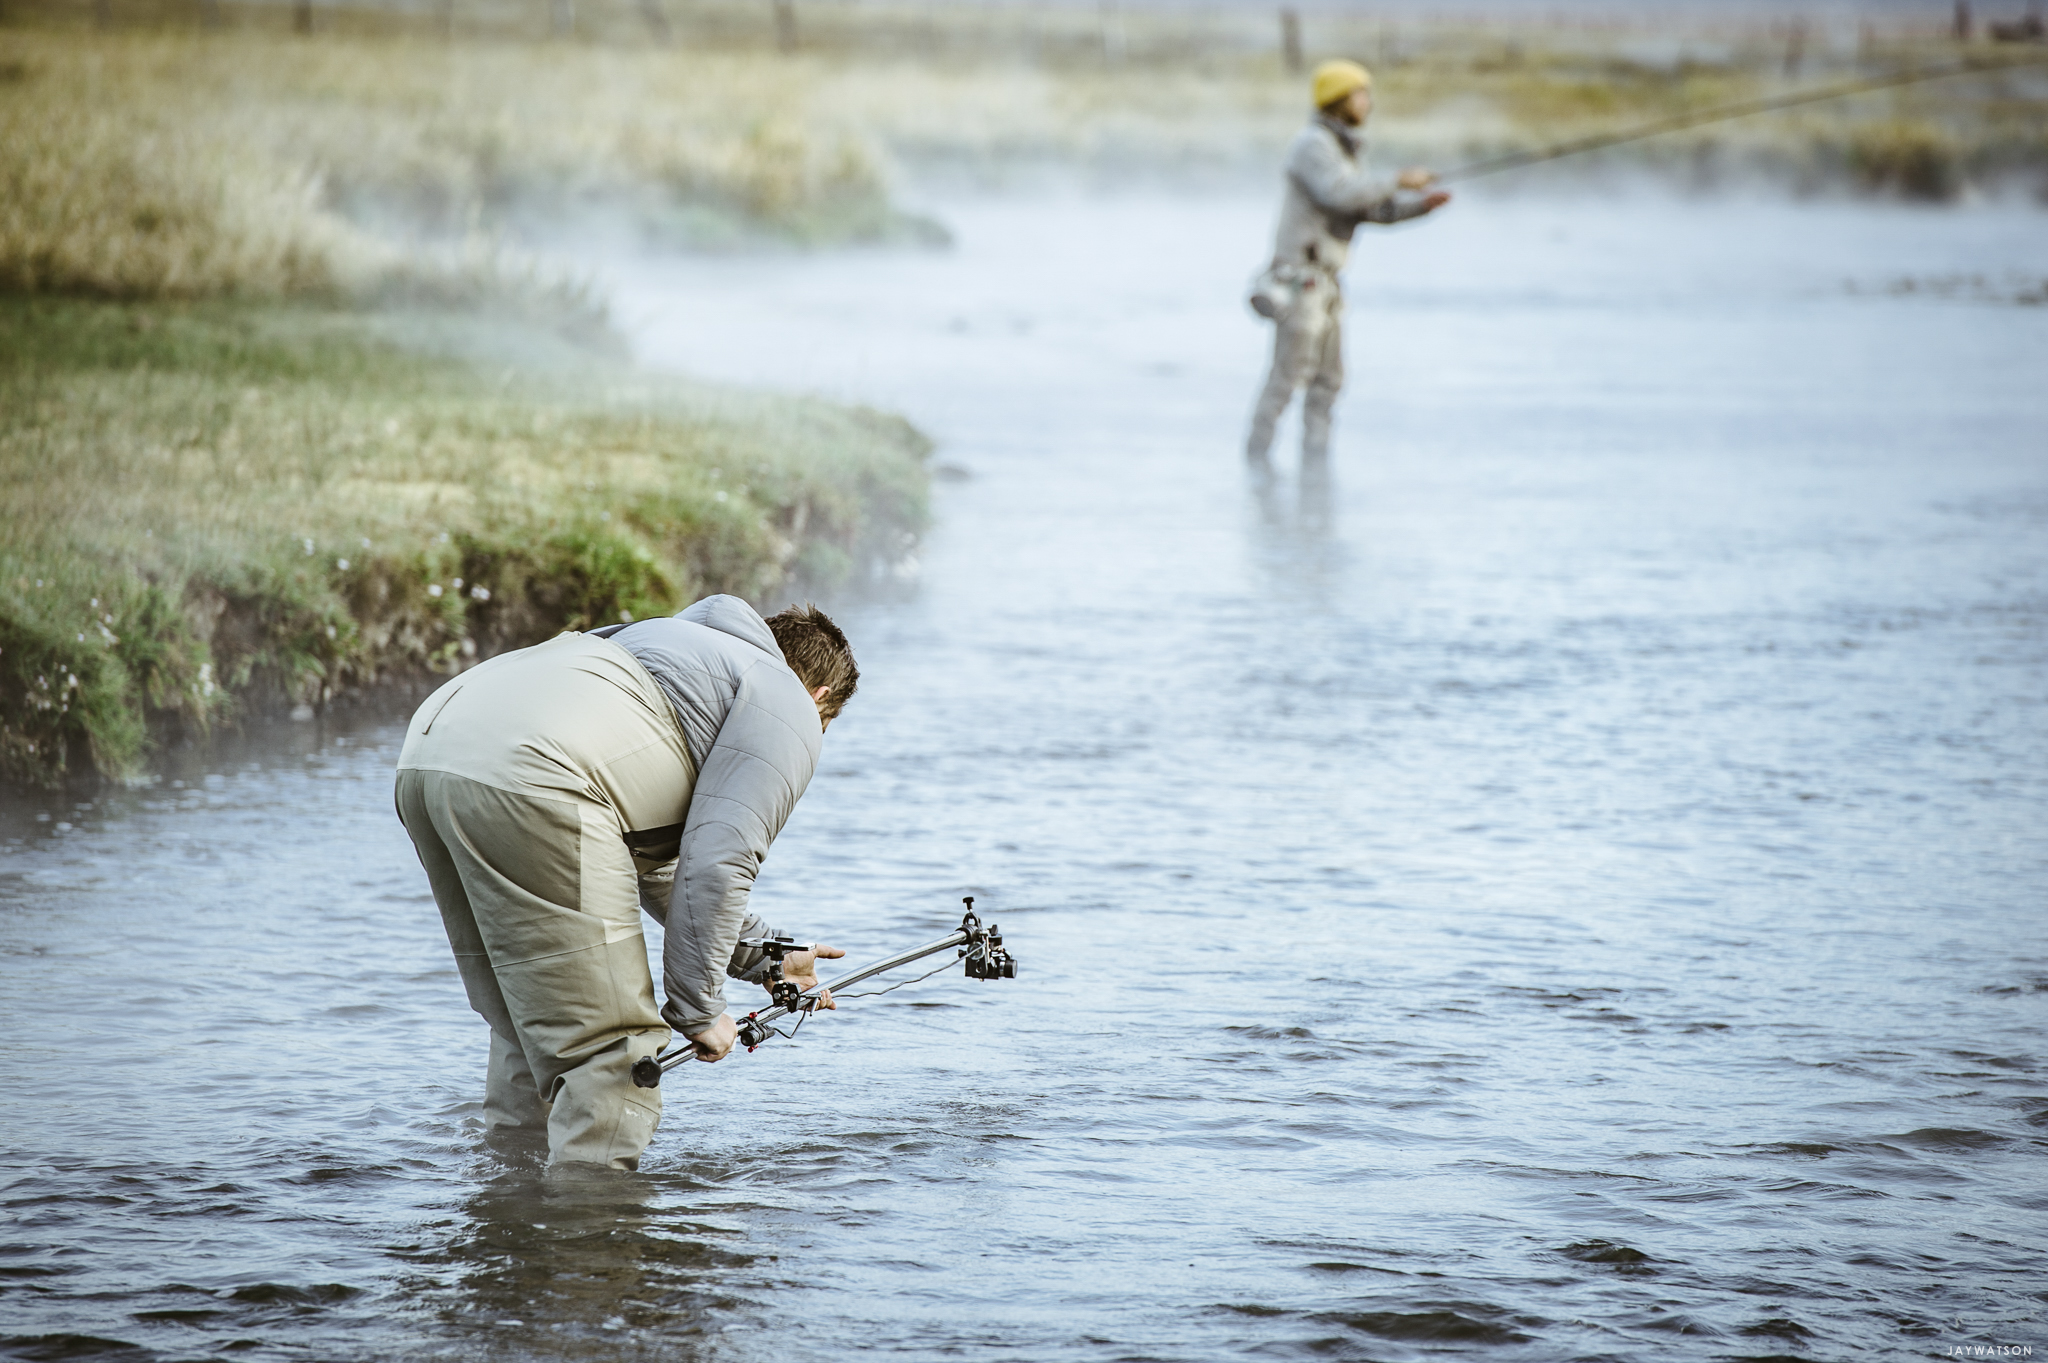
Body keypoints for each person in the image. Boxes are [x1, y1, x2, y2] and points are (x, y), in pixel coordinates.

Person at [393, 594, 857, 1171]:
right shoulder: (786, 698)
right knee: (613, 1062)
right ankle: (596, 1249)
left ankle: (510, 1224)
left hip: (431, 748)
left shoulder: (656, 644)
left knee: (533, 1019)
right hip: (539, 772)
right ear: (819, 698)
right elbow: (718, 862)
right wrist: (698, 1008)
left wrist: (770, 958)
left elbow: (646, 863)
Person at [1245, 59, 1452, 471]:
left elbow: (1369, 210)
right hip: (1300, 281)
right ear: (1339, 99)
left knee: (1329, 381)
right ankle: (1256, 463)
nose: (1368, 103)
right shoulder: (1313, 145)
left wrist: (1420, 208)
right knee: (1287, 378)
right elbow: (1341, 194)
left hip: (1328, 286)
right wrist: (1398, 180)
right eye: (1362, 94)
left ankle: (1315, 471)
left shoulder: (1343, 151)